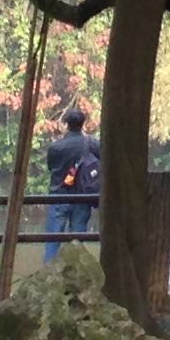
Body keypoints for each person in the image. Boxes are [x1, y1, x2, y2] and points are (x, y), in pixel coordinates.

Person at [41, 109, 100, 262]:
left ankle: (49, 275)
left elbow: (51, 167)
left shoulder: (56, 147)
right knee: (77, 242)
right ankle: (74, 274)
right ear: (83, 124)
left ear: (66, 124)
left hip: (58, 196)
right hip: (82, 197)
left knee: (53, 240)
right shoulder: (92, 144)